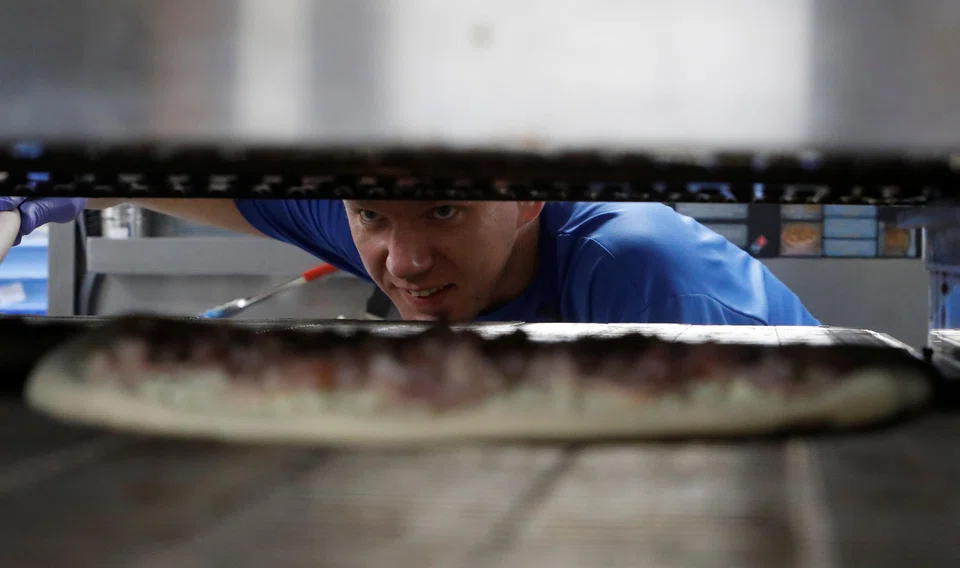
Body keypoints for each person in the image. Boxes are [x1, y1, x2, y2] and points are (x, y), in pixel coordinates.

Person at [0, 196, 820, 325]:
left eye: (445, 210)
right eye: (371, 216)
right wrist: (24, 203)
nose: (406, 261)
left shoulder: (641, 273)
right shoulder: (380, 217)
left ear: (528, 197)